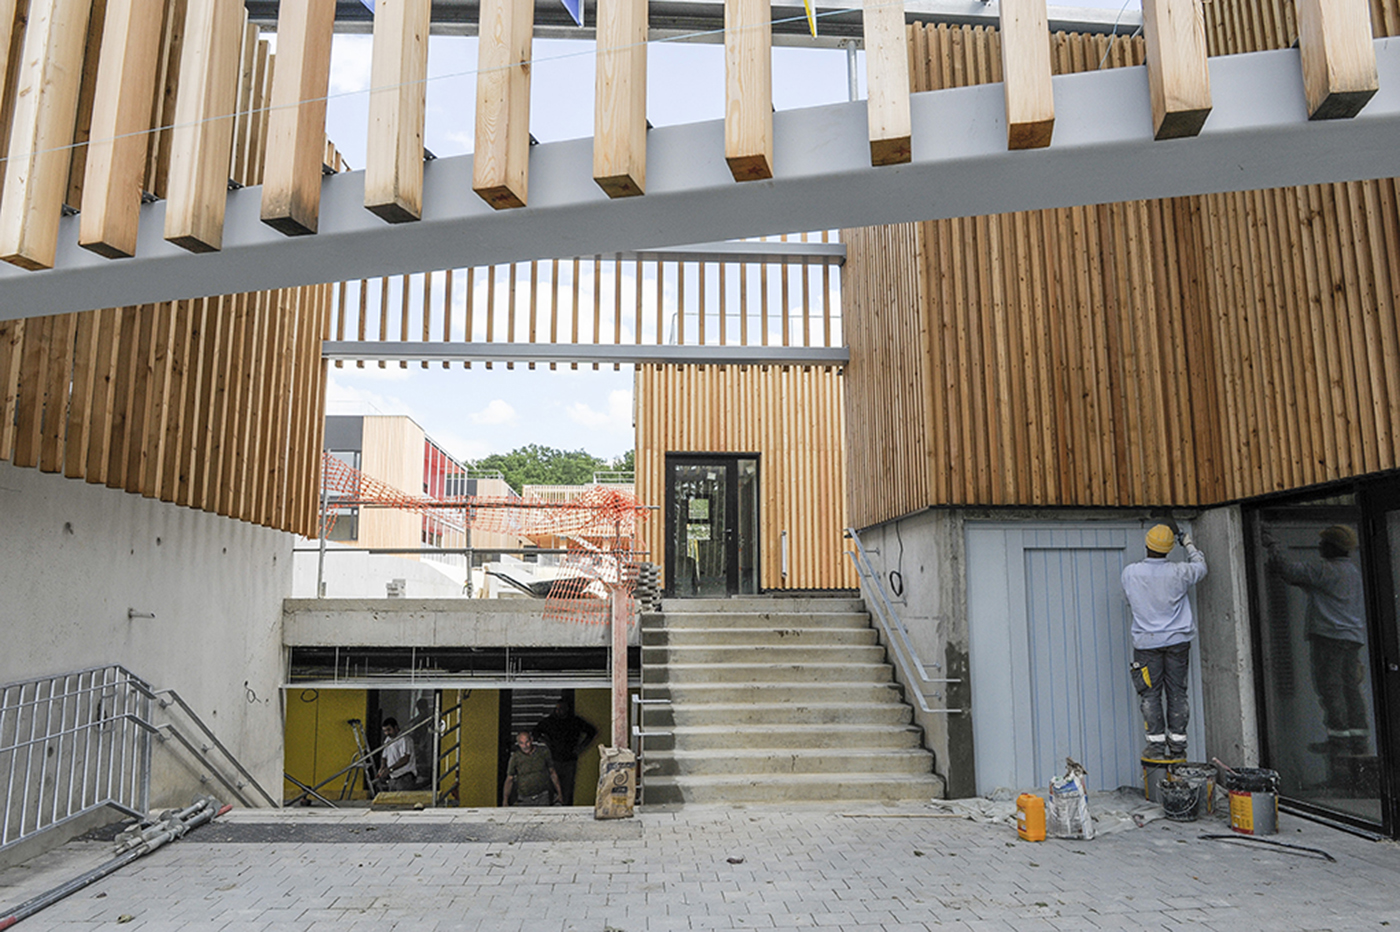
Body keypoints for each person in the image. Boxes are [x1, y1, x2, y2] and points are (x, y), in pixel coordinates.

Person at [1264, 525, 1370, 757]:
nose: (1320, 546)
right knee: (1350, 687)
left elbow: (1288, 571)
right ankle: (1358, 741)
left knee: (1331, 687)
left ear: (1334, 546)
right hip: (1351, 638)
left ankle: (1339, 741)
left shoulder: (1326, 570)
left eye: (1324, 543)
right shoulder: (1351, 571)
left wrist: (1272, 545)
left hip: (1330, 638)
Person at [1121, 524, 1207, 759]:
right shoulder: (1180, 572)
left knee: (1150, 694)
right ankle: (1178, 746)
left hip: (1146, 644)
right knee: (1177, 692)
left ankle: (1156, 746)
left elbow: (1130, 599)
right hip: (1178, 642)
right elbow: (1201, 567)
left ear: (1147, 544)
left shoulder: (1130, 573)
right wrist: (1188, 544)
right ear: (1169, 549)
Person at [533, 699, 598, 806]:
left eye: (561, 709)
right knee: (551, 787)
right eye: (557, 709)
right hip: (553, 759)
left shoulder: (574, 721)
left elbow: (592, 731)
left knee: (567, 788)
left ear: (567, 709)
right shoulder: (550, 721)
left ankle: (565, 808)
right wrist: (545, 741)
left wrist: (581, 747)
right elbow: (535, 732)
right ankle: (551, 808)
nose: (559, 711)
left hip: (569, 760)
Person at [502, 731, 563, 807]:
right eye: (521, 743)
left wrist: (559, 793)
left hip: (543, 795)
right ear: (518, 744)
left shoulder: (543, 752)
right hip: (524, 797)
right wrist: (505, 800)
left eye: (527, 742)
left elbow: (552, 773)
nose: (525, 746)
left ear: (531, 740)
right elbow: (509, 779)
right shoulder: (515, 758)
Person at [377, 717, 417, 791]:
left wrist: (390, 769)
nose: (387, 733)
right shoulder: (387, 740)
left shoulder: (405, 739)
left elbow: (405, 759)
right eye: (385, 731)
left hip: (405, 776)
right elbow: (384, 757)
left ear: (396, 728)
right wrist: (382, 767)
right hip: (393, 777)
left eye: (389, 730)